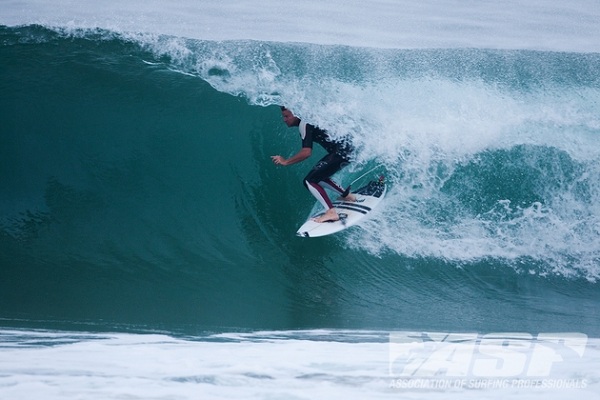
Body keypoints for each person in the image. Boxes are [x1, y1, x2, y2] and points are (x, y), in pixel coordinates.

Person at [271, 106, 356, 223]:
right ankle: (348, 196)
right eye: (283, 117)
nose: (284, 119)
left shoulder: (304, 124)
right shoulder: (310, 119)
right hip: (348, 150)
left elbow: (306, 152)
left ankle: (331, 212)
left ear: (295, 114)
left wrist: (286, 161)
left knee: (309, 181)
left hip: (342, 152)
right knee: (319, 178)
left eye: (287, 116)